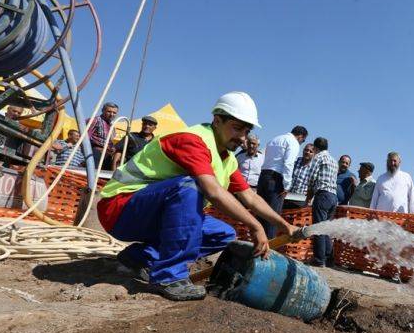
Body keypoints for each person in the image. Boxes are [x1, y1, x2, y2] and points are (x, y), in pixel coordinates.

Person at [97, 91, 297, 301]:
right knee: (189, 186)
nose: (242, 138)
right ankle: (169, 277)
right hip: (120, 209)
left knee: (223, 234)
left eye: (246, 131)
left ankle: (138, 258)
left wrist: (284, 225)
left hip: (148, 212)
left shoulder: (226, 158)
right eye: (237, 128)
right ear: (217, 121)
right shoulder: (193, 140)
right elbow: (213, 191)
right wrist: (255, 226)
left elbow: (250, 197)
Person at [257, 125, 308, 238]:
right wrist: (286, 186)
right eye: (303, 141)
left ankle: (257, 243)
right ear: (301, 136)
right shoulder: (293, 142)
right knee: (273, 216)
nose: (301, 143)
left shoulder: (275, 139)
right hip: (276, 179)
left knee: (260, 212)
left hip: (264, 176)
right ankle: (268, 248)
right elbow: (288, 164)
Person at [306, 137, 338, 267]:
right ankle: (329, 258)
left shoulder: (318, 158)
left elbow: (312, 178)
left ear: (315, 147)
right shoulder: (334, 161)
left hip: (322, 195)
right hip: (333, 197)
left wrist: (308, 197)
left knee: (318, 227)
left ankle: (319, 259)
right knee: (325, 228)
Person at [284, 143, 316, 209]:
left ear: (314, 154)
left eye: (310, 151)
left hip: (301, 199)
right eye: (306, 150)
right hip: (288, 196)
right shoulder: (296, 161)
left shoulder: (314, 167)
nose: (307, 152)